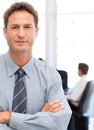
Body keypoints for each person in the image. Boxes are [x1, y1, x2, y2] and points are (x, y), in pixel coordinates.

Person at [0, 2, 72, 130]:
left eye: (27, 27)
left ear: (36, 31)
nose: (21, 34)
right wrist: (39, 120)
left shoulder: (50, 75)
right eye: (15, 27)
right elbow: (49, 125)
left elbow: (59, 123)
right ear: (5, 32)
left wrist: (8, 117)